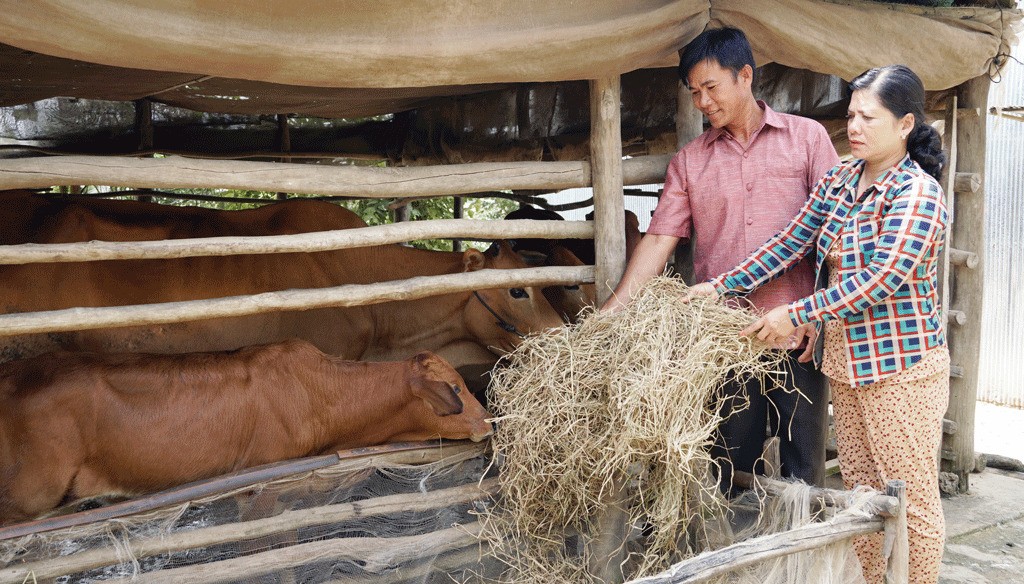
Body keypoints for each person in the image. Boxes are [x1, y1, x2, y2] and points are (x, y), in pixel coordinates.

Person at [688, 64, 949, 583]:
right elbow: (789, 243)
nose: (853, 126)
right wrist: (722, 285)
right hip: (848, 366)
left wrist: (799, 312)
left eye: (868, 117)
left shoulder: (917, 195)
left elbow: (881, 279)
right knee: (860, 495)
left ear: (904, 125)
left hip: (902, 371)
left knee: (910, 498)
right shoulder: (840, 179)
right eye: (850, 115)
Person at [602, 27, 839, 489]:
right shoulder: (690, 162)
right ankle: (734, 559)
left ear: (745, 76)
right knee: (728, 469)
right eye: (694, 93)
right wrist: (611, 312)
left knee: (804, 476)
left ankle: (799, 557)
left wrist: (818, 312)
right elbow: (657, 241)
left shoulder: (807, 140)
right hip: (725, 340)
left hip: (797, 331)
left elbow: (835, 234)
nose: (702, 102)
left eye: (711, 88)